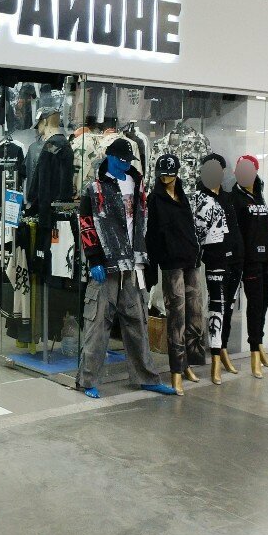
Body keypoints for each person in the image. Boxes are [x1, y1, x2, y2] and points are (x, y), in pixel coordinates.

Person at [77, 138, 177, 399]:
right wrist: (94, 259)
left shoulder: (137, 183)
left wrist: (145, 257)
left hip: (133, 264)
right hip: (107, 264)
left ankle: (146, 377)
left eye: (127, 160)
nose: (125, 164)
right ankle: (87, 380)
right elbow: (86, 223)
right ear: (110, 157)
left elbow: (143, 223)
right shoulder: (94, 187)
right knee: (97, 324)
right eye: (121, 159)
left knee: (137, 322)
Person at [146, 154, 204, 396]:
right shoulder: (154, 199)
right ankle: (176, 371)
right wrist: (153, 266)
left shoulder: (182, 197)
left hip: (190, 260)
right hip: (170, 263)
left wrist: (196, 252)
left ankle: (189, 363)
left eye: (170, 174)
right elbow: (151, 235)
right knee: (176, 317)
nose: (167, 178)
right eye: (163, 174)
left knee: (195, 313)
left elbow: (189, 227)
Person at [191, 154, 244, 384]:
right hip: (214, 260)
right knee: (216, 308)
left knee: (229, 308)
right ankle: (213, 356)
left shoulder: (228, 196)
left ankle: (222, 349)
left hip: (235, 258)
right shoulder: (198, 198)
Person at [232, 155, 268, 378]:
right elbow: (237, 233)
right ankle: (254, 351)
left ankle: (259, 345)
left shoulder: (260, 194)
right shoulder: (235, 198)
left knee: (264, 305)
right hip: (251, 261)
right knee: (255, 305)